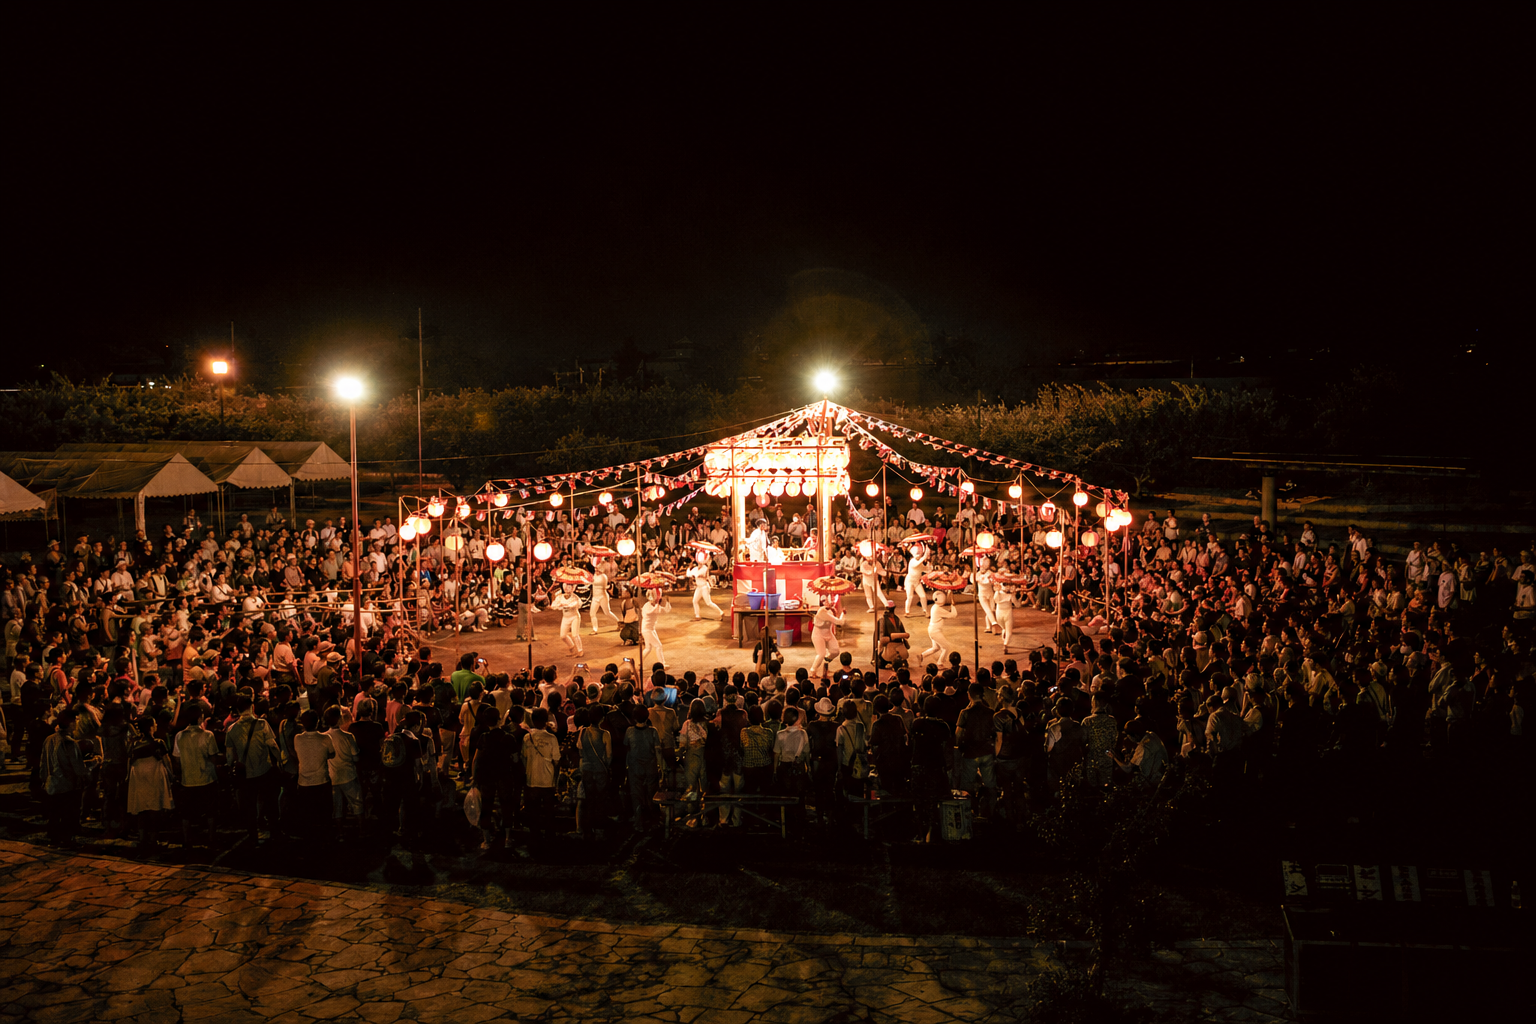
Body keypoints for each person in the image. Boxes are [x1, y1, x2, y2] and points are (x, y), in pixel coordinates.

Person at [39, 708, 90, 846]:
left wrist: (44, 780)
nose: (78, 724)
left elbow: (43, 764)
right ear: (71, 723)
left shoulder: (49, 740)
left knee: (55, 813)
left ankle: (54, 839)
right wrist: (92, 766)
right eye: (76, 721)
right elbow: (78, 768)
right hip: (67, 785)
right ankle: (67, 840)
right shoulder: (69, 743)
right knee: (68, 814)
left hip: (52, 784)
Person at [809, 594, 846, 672]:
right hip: (818, 635)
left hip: (828, 633)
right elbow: (839, 622)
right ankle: (813, 671)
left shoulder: (830, 610)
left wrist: (835, 611)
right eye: (824, 601)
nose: (827, 602)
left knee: (835, 651)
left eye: (828, 600)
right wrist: (843, 614)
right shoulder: (822, 612)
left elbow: (836, 620)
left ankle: (826, 662)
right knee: (821, 654)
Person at [920, 591, 957, 664]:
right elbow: (953, 615)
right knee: (946, 647)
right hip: (935, 631)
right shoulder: (937, 609)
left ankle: (922, 656)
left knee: (936, 648)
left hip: (932, 630)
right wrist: (953, 605)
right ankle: (940, 663)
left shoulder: (935, 607)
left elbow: (946, 614)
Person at [552, 583, 584, 656]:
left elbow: (575, 605)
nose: (566, 588)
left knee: (575, 634)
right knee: (563, 636)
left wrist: (563, 605)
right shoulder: (560, 597)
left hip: (574, 617)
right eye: (565, 586)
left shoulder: (575, 597)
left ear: (573, 588)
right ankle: (571, 646)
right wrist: (558, 606)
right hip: (565, 617)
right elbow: (554, 605)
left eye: (569, 587)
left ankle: (580, 650)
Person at [640, 589, 669, 668]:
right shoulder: (647, 606)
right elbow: (651, 612)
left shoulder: (655, 606)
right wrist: (658, 605)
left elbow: (666, 610)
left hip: (651, 629)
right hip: (646, 629)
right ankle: (662, 664)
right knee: (658, 646)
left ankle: (639, 664)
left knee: (648, 648)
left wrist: (667, 602)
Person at [589, 560, 620, 634]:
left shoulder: (604, 577)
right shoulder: (594, 575)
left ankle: (619, 622)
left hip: (603, 596)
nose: (596, 570)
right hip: (595, 597)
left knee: (607, 612)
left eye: (598, 569)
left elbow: (604, 587)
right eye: (595, 569)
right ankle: (595, 629)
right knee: (592, 613)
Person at [903, 542, 929, 615]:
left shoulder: (920, 562)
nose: (918, 556)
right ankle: (907, 611)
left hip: (917, 582)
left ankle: (925, 610)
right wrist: (924, 557)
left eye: (919, 554)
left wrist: (928, 564)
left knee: (923, 596)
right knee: (910, 597)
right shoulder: (912, 561)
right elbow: (916, 565)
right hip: (909, 582)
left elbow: (927, 570)